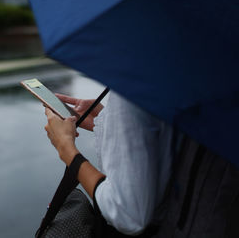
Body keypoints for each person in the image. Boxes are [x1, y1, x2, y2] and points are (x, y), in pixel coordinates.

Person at [44, 90, 183, 236]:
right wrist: (106, 122)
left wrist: (65, 148)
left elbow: (127, 214)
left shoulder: (130, 90)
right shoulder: (165, 79)